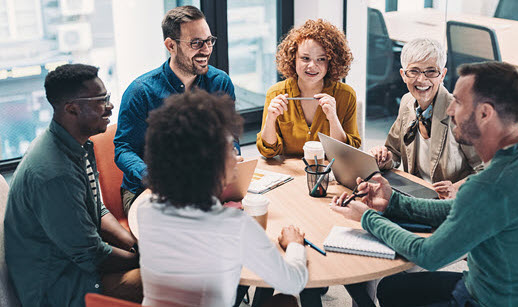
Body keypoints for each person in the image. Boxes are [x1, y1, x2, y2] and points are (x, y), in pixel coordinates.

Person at [331, 61, 518, 306]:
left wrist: (368, 217)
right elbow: (458, 209)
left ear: (484, 113)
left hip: (485, 301)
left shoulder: (491, 185)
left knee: (393, 288)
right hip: (502, 288)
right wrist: (392, 202)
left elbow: (428, 255)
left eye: (459, 102)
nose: (450, 110)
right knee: (392, 288)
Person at [137, 89, 308, 306]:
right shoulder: (233, 225)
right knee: (286, 301)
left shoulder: (146, 210)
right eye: (228, 148)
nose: (236, 156)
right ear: (207, 163)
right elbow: (293, 282)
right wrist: (295, 245)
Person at [4, 64, 142, 306]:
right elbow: (91, 255)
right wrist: (144, 259)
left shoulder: (75, 144)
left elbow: (96, 208)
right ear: (72, 109)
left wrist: (133, 244)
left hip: (73, 265)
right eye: (102, 100)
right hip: (59, 289)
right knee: (169, 278)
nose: (110, 107)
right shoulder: (54, 173)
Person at [114, 5, 238, 216]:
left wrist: (233, 155)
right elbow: (123, 149)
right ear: (171, 45)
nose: (206, 50)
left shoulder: (221, 83)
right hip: (148, 190)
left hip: (204, 184)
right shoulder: (140, 92)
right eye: (196, 43)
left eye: (209, 41)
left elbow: (230, 136)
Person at [368, 38, 482, 199]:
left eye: (431, 71)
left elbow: (488, 170)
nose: (422, 79)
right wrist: (382, 158)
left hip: (449, 204)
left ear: (442, 75)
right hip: (414, 195)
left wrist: (457, 188)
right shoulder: (407, 102)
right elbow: (393, 152)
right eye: (414, 71)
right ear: (403, 75)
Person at [257, 19, 361, 158]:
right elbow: (268, 151)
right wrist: (270, 119)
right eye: (305, 58)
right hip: (290, 174)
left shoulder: (346, 95)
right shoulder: (276, 93)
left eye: (321, 59)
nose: (312, 66)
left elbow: (347, 153)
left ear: (331, 61)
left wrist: (332, 118)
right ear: (293, 58)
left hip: (329, 174)